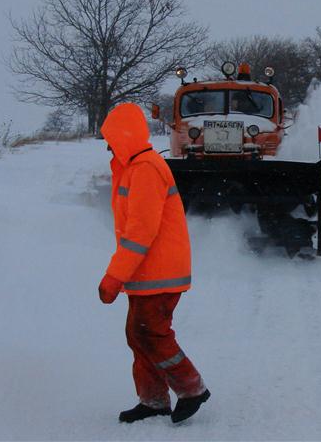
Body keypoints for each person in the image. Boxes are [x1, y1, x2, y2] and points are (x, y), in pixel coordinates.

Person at [98, 103, 210, 424]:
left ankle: (191, 388)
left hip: (160, 273)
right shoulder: (133, 168)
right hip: (147, 274)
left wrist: (113, 277)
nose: (108, 145)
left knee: (151, 333)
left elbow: (139, 234)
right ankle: (153, 400)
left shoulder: (146, 169)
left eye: (111, 138)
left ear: (125, 137)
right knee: (138, 334)